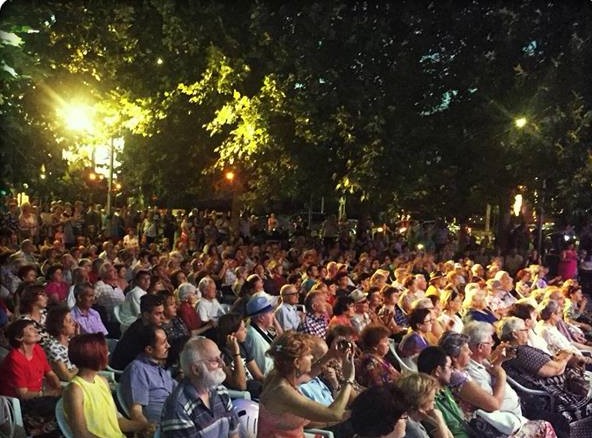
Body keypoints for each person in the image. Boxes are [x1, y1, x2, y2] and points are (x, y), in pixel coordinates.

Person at [463, 320, 557, 437]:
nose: (493, 345)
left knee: (556, 421)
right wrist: (501, 375)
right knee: (551, 424)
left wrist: (499, 360)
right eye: (490, 342)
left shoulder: (482, 361)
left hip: (517, 413)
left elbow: (492, 373)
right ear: (480, 347)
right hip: (507, 425)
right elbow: (494, 404)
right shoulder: (471, 372)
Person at [257, 331, 356, 437]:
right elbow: (334, 414)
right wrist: (348, 379)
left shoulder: (279, 376)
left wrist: (331, 354)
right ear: (297, 363)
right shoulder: (282, 392)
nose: (312, 358)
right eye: (309, 354)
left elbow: (308, 375)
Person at [63, 333, 152, 437]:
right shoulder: (75, 390)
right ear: (95, 356)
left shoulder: (102, 381)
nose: (108, 354)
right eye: (105, 352)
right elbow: (81, 434)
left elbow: (117, 421)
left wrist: (143, 426)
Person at [160, 337, 240, 438]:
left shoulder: (221, 391)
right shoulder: (178, 408)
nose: (222, 364)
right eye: (215, 361)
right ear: (196, 370)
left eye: (221, 357)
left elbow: (234, 434)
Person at [0, 319, 62, 436]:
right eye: (30, 329)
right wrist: (47, 393)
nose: (36, 331)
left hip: (37, 398)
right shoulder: (15, 359)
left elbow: (50, 374)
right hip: (18, 405)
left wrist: (58, 388)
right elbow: (23, 394)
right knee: (62, 407)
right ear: (19, 338)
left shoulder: (37, 349)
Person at [119, 325, 176, 424]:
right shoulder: (138, 369)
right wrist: (146, 428)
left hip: (175, 418)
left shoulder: (161, 370)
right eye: (163, 343)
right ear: (149, 349)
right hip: (162, 425)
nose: (168, 346)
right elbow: (136, 412)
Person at [417, 347, 471, 438]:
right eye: (449, 367)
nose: (452, 371)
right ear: (437, 371)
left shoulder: (444, 389)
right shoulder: (427, 402)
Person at [110, 294, 165, 370]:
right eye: (158, 314)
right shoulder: (140, 333)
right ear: (146, 315)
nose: (163, 317)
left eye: (163, 313)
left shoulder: (145, 326)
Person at [216, 312, 264, 397]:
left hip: (256, 388)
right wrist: (236, 353)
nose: (246, 331)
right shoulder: (221, 356)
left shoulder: (243, 345)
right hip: (243, 396)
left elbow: (258, 376)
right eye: (242, 329)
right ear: (232, 335)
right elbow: (241, 386)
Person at [394, 372, 452, 438]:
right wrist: (440, 421)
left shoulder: (411, 420)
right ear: (420, 402)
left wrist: (431, 420)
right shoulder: (413, 430)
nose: (434, 403)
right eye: (431, 400)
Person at [42, 305, 78, 381]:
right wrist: (84, 367)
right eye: (70, 321)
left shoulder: (71, 342)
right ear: (59, 326)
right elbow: (66, 376)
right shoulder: (52, 346)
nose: (74, 323)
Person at [244, 295, 276, 376]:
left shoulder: (263, 330)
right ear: (261, 317)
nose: (273, 315)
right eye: (270, 313)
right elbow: (265, 369)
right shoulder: (254, 336)